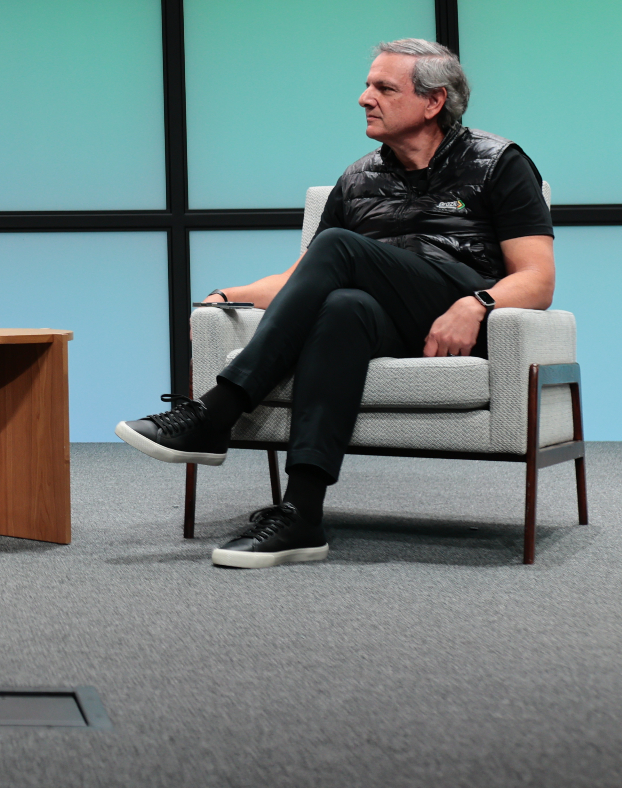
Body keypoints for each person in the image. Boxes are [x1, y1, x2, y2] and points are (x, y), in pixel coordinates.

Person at [115, 39, 555, 568]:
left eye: (384, 88)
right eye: (368, 85)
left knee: (338, 248)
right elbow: (305, 280)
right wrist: (231, 295)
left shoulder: (497, 162)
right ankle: (302, 514)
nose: (364, 97)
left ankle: (217, 412)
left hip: (457, 319)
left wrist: (477, 303)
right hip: (383, 318)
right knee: (341, 306)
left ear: (434, 101)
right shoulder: (358, 177)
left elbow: (538, 279)